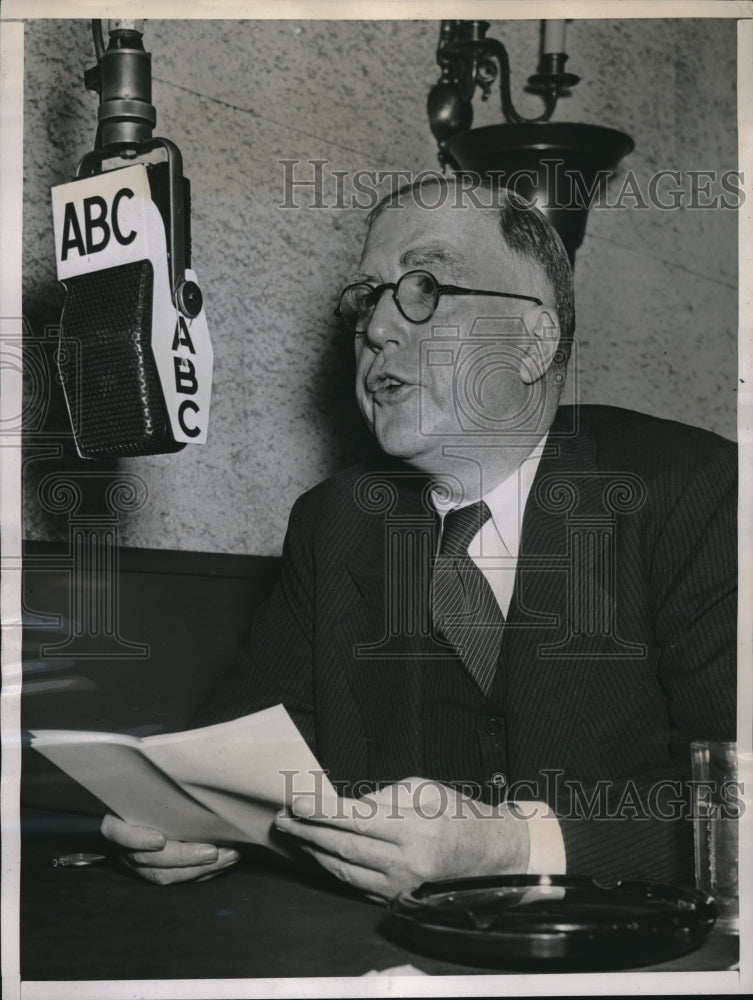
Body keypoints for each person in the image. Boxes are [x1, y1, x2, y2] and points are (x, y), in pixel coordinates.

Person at [102, 177, 737, 896]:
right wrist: (192, 817)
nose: (376, 328)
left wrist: (511, 846)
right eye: (367, 296)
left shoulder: (694, 490)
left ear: (531, 343)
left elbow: (740, 799)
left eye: (425, 287)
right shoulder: (335, 524)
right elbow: (239, 755)